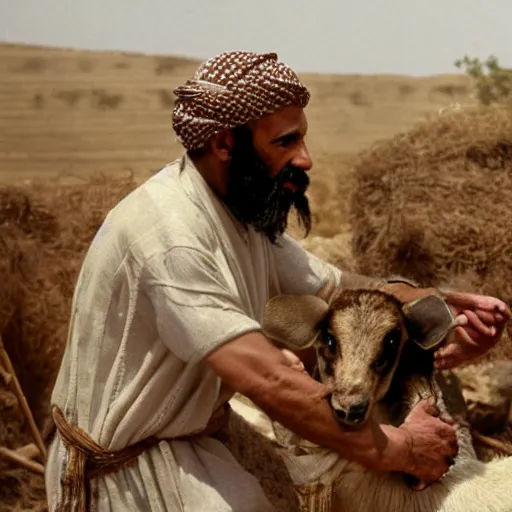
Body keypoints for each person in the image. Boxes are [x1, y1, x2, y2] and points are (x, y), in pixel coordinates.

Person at [44, 50, 511, 512]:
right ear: (226, 143)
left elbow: (341, 288)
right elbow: (268, 379)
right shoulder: (172, 240)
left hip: (195, 446)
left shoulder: (240, 217)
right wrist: (402, 449)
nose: (305, 159)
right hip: (127, 480)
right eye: (286, 142)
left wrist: (442, 308)